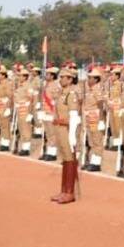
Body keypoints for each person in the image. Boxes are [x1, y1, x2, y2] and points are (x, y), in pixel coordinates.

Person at [47, 66, 82, 204]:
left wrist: (72, 135)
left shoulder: (71, 94)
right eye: (60, 77)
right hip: (59, 128)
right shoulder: (62, 93)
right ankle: (63, 190)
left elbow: (73, 116)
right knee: (65, 159)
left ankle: (70, 192)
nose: (60, 79)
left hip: (67, 129)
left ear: (70, 79)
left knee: (70, 159)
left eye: (63, 77)